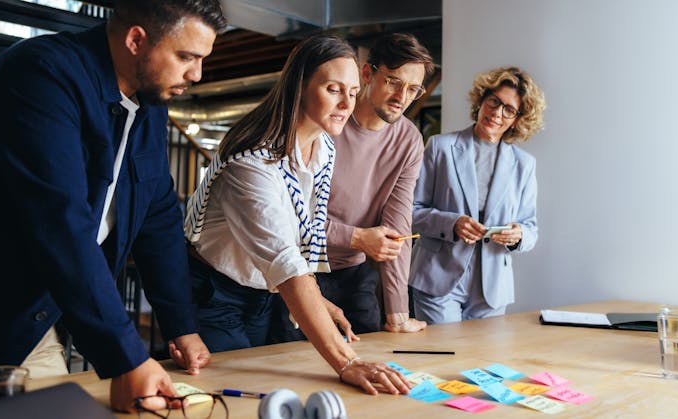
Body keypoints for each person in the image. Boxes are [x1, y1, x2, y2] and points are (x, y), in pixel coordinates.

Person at [0, 0, 226, 412]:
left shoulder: (149, 105)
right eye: (186, 56)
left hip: (40, 315)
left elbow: (158, 216)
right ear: (137, 39)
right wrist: (127, 356)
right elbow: (60, 223)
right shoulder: (41, 74)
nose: (196, 74)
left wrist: (181, 324)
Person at [184, 34, 410, 395]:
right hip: (213, 291)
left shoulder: (323, 147)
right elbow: (286, 261)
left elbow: (300, 232)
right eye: (334, 89)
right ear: (300, 85)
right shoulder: (252, 160)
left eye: (353, 93)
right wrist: (347, 362)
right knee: (227, 395)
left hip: (262, 291)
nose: (346, 104)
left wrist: (317, 300)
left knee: (263, 391)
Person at [269, 33, 435, 343]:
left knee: (371, 360)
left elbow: (398, 226)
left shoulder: (410, 139)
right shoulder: (325, 120)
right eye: (394, 82)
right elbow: (290, 215)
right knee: (295, 365)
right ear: (368, 73)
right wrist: (357, 237)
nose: (402, 97)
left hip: (354, 272)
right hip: (298, 268)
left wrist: (397, 313)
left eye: (413, 89)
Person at [409, 66, 546, 323]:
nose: (496, 113)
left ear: (517, 119)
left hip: (492, 288)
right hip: (438, 277)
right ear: (482, 99)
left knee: (485, 360)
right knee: (444, 357)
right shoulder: (441, 147)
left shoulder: (524, 164)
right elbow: (411, 210)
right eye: (493, 101)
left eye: (508, 109)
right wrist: (453, 223)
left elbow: (531, 228)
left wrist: (518, 235)